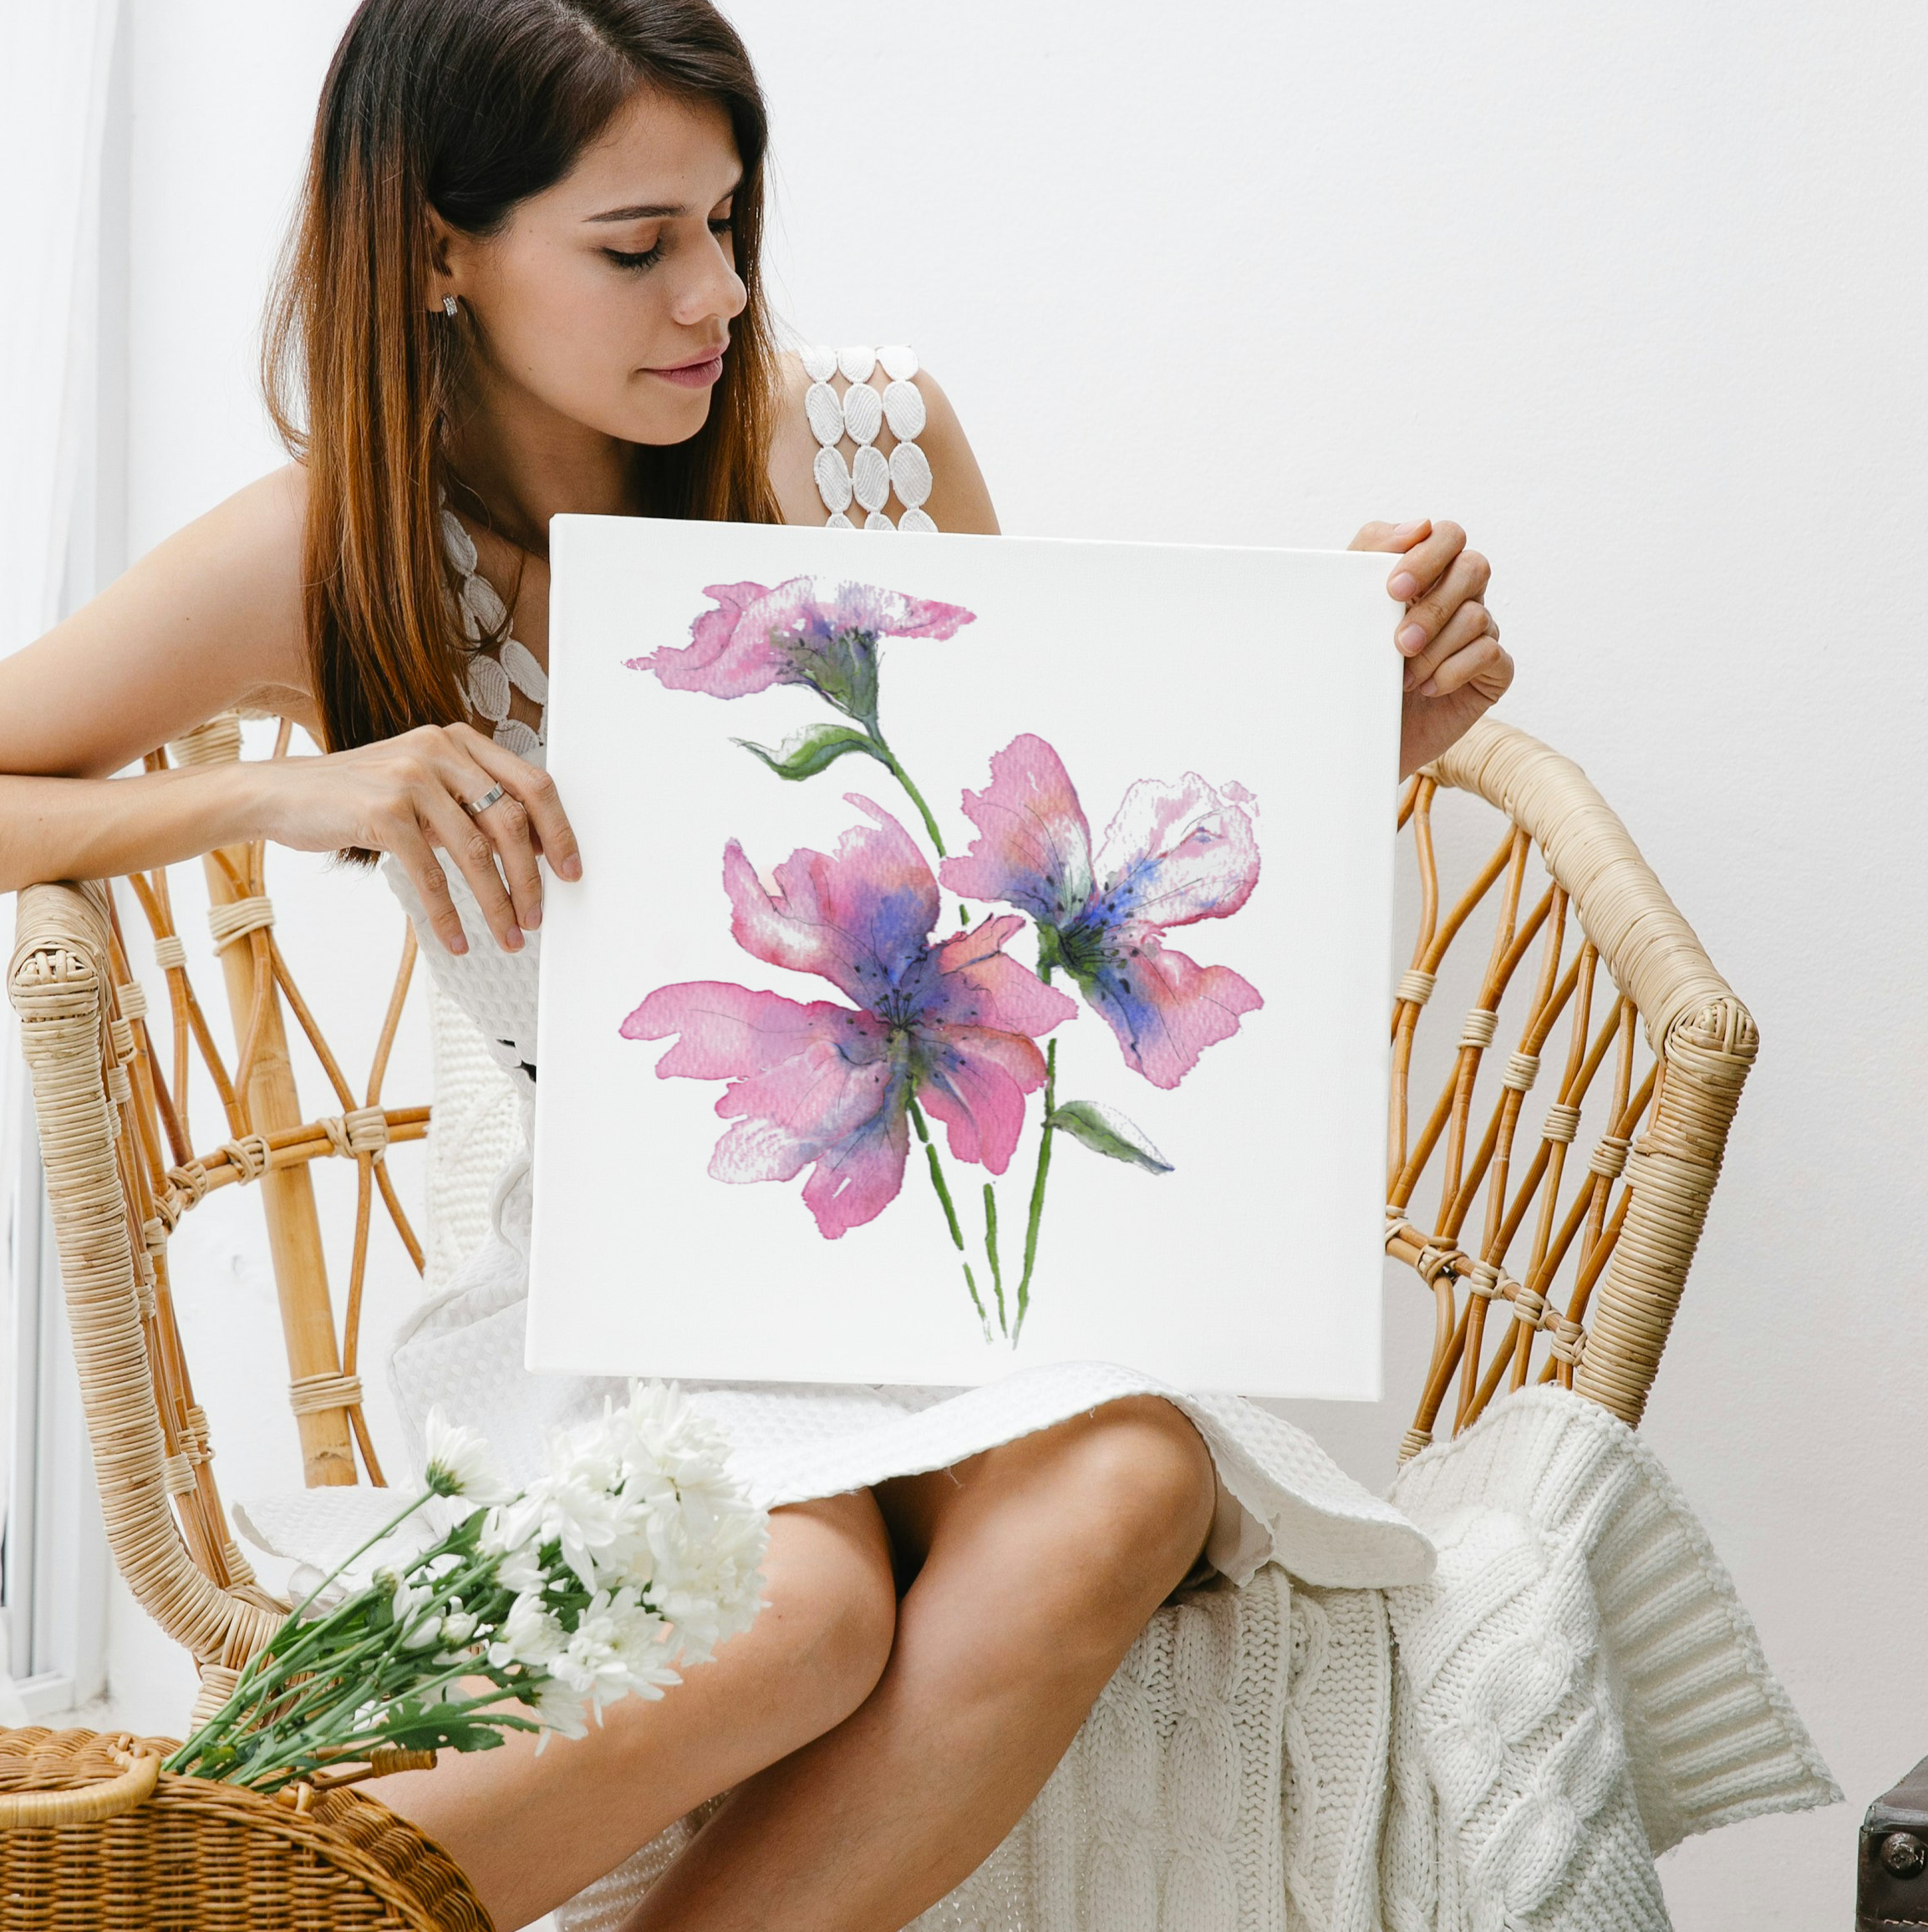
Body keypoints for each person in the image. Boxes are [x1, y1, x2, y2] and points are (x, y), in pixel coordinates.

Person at [0, 3, 1510, 1927]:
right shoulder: (329, 552)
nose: (711, 292)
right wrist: (284, 797)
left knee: (1129, 1480)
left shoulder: (867, 441)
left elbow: (1015, 882)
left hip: (933, 1256)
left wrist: (1374, 732)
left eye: (729, 220)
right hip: (640, 1286)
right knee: (791, 1608)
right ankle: (229, 1909)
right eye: (636, 245)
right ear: (435, 250)